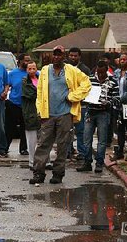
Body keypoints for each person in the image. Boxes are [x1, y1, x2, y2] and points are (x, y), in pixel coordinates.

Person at [30, 45, 91, 185]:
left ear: (65, 56)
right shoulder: (45, 70)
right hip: (48, 114)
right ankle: (38, 173)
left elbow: (86, 83)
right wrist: (40, 111)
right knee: (43, 144)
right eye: (55, 54)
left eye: (60, 55)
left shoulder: (72, 70)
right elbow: (39, 93)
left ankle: (58, 174)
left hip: (65, 114)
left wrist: (74, 96)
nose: (57, 57)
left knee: (63, 145)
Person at [77, 60, 119, 173]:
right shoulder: (90, 80)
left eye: (102, 73)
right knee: (86, 139)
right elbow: (83, 92)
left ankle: (99, 163)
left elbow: (117, 98)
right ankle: (87, 161)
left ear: (106, 70)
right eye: (98, 72)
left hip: (103, 112)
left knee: (102, 140)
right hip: (90, 111)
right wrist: (85, 99)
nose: (100, 75)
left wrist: (108, 102)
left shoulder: (113, 82)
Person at [66, 47, 91, 160]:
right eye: (71, 55)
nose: (73, 57)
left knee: (80, 129)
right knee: (66, 129)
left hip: (81, 104)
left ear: (79, 57)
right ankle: (67, 150)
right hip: (66, 103)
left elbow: (87, 86)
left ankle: (81, 152)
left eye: (75, 56)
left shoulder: (84, 69)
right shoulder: (64, 68)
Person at [5, 53, 30, 156]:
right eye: (26, 60)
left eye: (29, 60)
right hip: (14, 104)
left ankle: (23, 149)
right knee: (10, 127)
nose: (28, 63)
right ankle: (5, 148)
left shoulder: (33, 73)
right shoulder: (12, 73)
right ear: (19, 61)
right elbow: (7, 85)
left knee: (25, 128)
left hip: (27, 105)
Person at [21, 61, 40, 169]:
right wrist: (40, 92)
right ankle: (32, 162)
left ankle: (44, 161)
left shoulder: (41, 79)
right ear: (26, 70)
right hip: (30, 112)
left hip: (41, 112)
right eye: (30, 69)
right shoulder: (25, 81)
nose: (32, 71)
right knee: (31, 140)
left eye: (34, 68)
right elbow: (30, 94)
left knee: (43, 139)